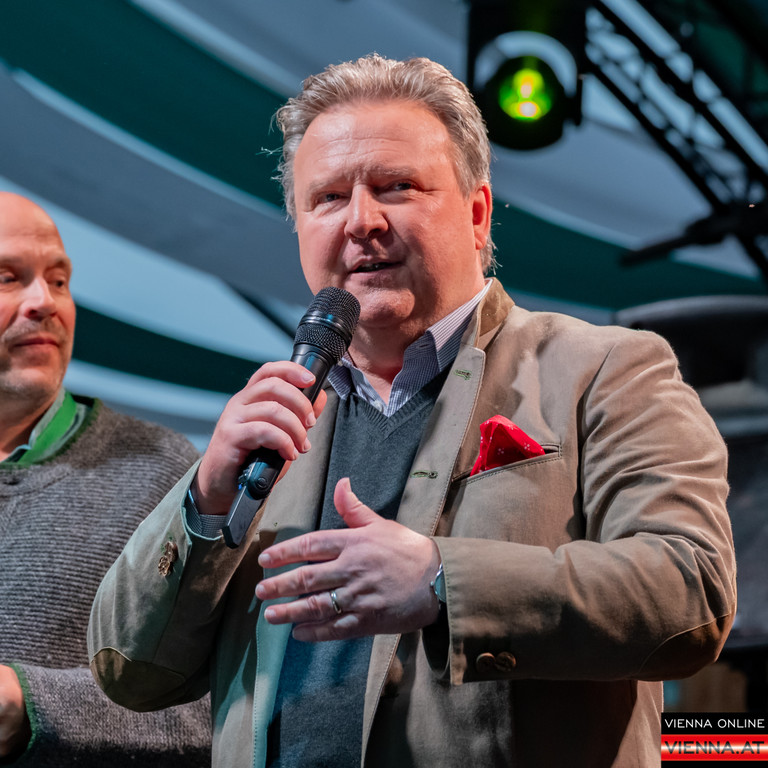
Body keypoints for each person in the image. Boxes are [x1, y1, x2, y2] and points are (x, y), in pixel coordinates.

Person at [88, 55, 736, 768]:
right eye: (328, 198)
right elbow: (129, 670)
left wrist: (441, 579)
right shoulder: (270, 421)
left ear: (477, 213)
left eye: (397, 187)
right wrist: (206, 503)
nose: (361, 221)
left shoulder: (603, 368)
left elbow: (692, 589)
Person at [0, 192, 211, 766]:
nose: (45, 302)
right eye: (8, 278)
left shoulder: (163, 472)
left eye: (59, 280)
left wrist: (30, 708)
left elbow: (226, 706)